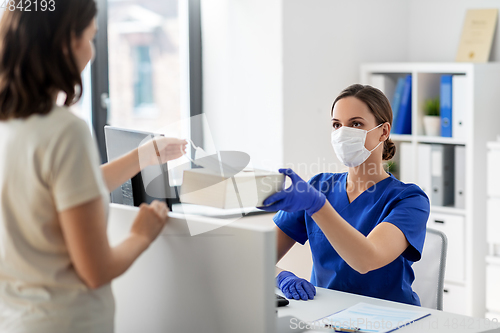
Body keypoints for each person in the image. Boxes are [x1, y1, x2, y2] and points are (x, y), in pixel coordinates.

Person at [0, 1, 187, 332]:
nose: (92, 51)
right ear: (65, 43)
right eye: (91, 38)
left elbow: (63, 191)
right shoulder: (64, 131)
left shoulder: (11, 126)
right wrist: (141, 235)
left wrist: (142, 156)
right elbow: (95, 269)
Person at [259, 84, 430, 306]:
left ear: (384, 131)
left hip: (388, 321)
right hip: (325, 316)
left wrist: (318, 207)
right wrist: (280, 277)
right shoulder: (319, 187)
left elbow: (366, 259)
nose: (342, 133)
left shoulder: (410, 200)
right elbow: (259, 257)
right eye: (336, 125)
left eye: (356, 124)